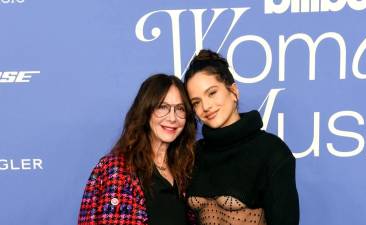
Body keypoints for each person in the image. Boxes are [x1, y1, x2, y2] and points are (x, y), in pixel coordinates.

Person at [184, 49, 300, 225]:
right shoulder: (193, 154)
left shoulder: (271, 150)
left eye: (212, 92)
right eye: (196, 102)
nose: (206, 106)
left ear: (233, 91)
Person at [78, 74, 197, 225]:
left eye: (180, 109)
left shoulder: (186, 170)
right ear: (146, 111)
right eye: (162, 107)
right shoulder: (115, 170)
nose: (172, 118)